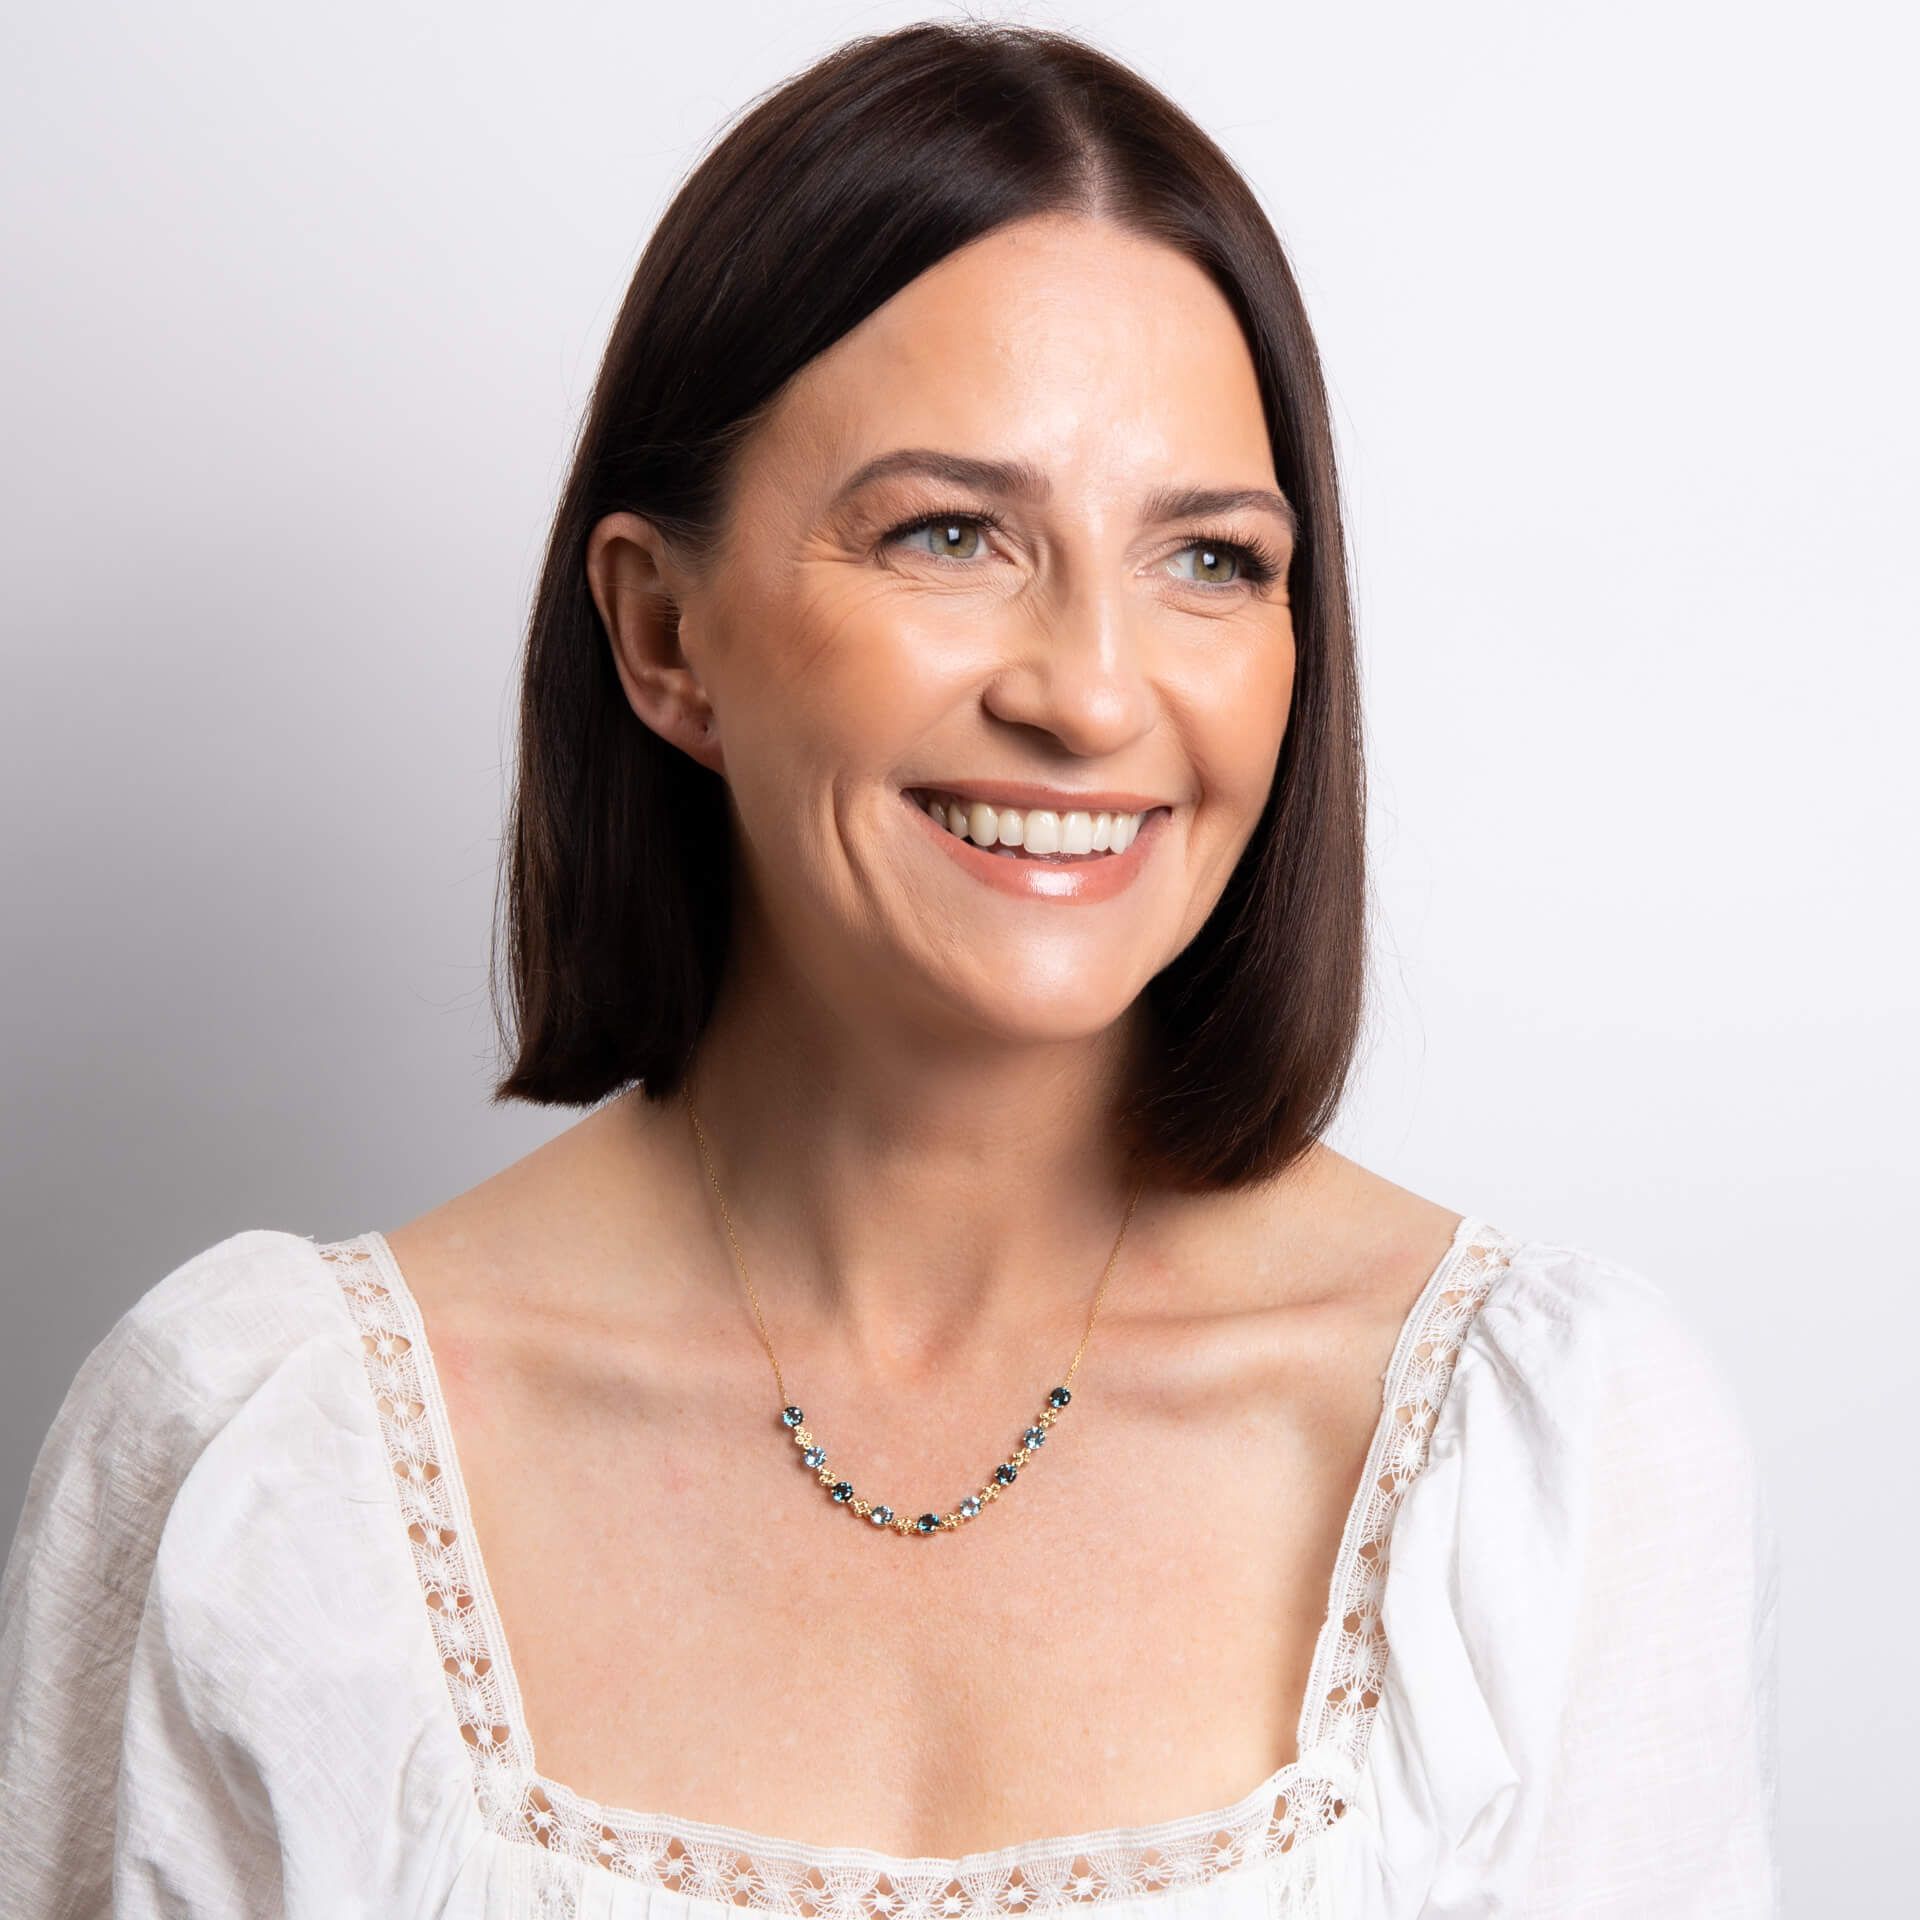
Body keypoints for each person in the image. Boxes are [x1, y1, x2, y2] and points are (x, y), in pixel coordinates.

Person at [0, 20, 1779, 1918]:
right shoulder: (261, 1465)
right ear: (663, 632)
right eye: (950, 533)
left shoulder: (1558, 1464)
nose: (1091, 694)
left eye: (1209, 561)